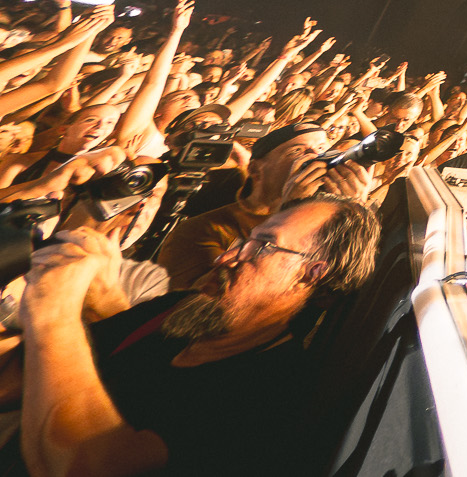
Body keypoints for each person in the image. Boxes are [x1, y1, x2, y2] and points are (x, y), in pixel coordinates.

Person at [4, 195, 378, 476]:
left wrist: (55, 313)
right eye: (243, 242)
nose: (225, 258)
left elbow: (86, 465)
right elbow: (18, 376)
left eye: (262, 246)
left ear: (313, 275)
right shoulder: (181, 311)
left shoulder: (271, 390)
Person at [155, 122, 370, 290]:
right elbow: (210, 300)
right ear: (256, 169)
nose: (315, 158)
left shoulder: (325, 217)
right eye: (297, 152)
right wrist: (290, 212)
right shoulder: (203, 228)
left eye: (322, 149)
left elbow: (342, 285)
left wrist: (353, 215)